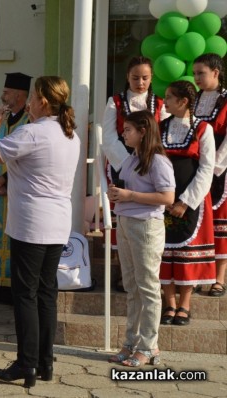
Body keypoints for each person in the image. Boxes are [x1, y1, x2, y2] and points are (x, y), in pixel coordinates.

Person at [0, 76, 80, 388]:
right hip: (57, 222)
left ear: (43, 102)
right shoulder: (70, 134)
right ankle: (44, 363)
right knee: (47, 293)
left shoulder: (32, 132)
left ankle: (26, 364)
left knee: (25, 295)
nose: (30, 103)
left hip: (32, 223)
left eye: (34, 97)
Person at [106, 110, 175, 367]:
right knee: (132, 285)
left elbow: (167, 198)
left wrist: (130, 196)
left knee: (147, 286)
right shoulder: (133, 157)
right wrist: (117, 194)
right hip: (125, 223)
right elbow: (126, 187)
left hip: (146, 226)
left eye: (129, 130)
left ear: (143, 131)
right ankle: (130, 342)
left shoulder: (158, 161)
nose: (124, 134)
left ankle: (148, 346)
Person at [101, 55, 168, 293]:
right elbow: (108, 137)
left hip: (151, 166)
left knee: (146, 216)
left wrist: (148, 162)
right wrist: (130, 163)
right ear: (127, 77)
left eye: (145, 78)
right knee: (123, 216)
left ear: (151, 78)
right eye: (135, 77)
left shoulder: (159, 104)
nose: (140, 82)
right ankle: (123, 270)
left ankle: (148, 273)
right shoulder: (115, 102)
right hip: (122, 165)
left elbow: (163, 137)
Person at [160, 80, 216, 327]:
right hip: (163, 199)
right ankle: (169, 303)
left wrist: (185, 202)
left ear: (183, 101)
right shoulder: (159, 128)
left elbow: (206, 169)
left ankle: (185, 304)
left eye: (169, 97)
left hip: (192, 201)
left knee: (185, 254)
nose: (165, 101)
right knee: (164, 252)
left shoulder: (204, 129)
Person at [0, 72, 31, 304]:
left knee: (16, 240)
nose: (2, 96)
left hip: (18, 191)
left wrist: (5, 181)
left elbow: (28, 159)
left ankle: (13, 289)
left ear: (19, 95)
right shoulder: (2, 118)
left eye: (7, 92)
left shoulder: (29, 122)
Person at [193, 53, 227, 297]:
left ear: (216, 72)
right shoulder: (192, 100)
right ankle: (195, 274)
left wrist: (214, 165)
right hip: (194, 167)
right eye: (194, 74)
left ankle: (219, 277)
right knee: (198, 219)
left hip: (219, 167)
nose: (196, 78)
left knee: (219, 222)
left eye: (201, 73)